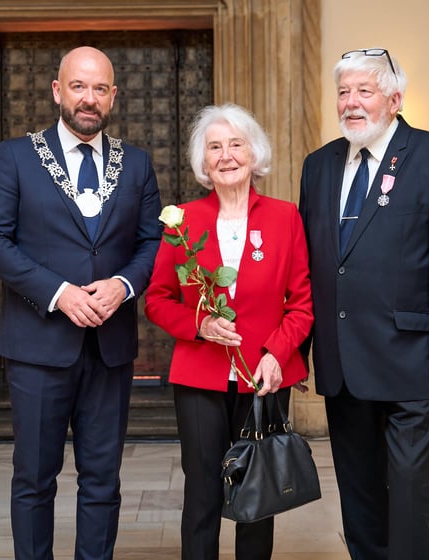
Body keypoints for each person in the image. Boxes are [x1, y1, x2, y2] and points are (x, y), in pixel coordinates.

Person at [0, 46, 161, 560]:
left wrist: (123, 285)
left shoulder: (137, 163)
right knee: (34, 478)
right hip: (38, 347)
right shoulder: (16, 156)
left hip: (109, 348)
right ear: (58, 91)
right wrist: (58, 293)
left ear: (114, 96)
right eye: (79, 86)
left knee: (103, 479)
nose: (89, 98)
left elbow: (152, 244)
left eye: (100, 88)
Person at [298, 49, 429, 559]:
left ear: (395, 99)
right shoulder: (319, 165)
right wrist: (297, 350)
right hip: (342, 363)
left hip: (412, 360)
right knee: (359, 495)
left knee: (408, 490)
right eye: (343, 92)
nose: (351, 103)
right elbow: (310, 265)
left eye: (364, 91)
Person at [144, 103, 313, 560]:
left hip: (265, 375)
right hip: (200, 374)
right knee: (202, 489)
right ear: (203, 162)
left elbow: (302, 304)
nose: (226, 155)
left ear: (254, 154)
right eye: (214, 147)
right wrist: (199, 325)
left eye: (236, 144)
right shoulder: (181, 221)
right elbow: (157, 300)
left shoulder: (285, 217)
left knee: (257, 494)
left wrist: (277, 354)